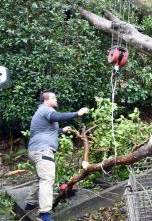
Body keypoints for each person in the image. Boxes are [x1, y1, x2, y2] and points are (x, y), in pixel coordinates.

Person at [24, 91, 89, 221]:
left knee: (40, 178)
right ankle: (44, 215)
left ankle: (30, 204)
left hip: (35, 150)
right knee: (47, 179)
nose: (56, 99)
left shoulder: (41, 112)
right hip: (43, 151)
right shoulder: (45, 110)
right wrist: (77, 113)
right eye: (53, 98)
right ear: (45, 101)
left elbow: (45, 130)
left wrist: (60, 130)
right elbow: (57, 117)